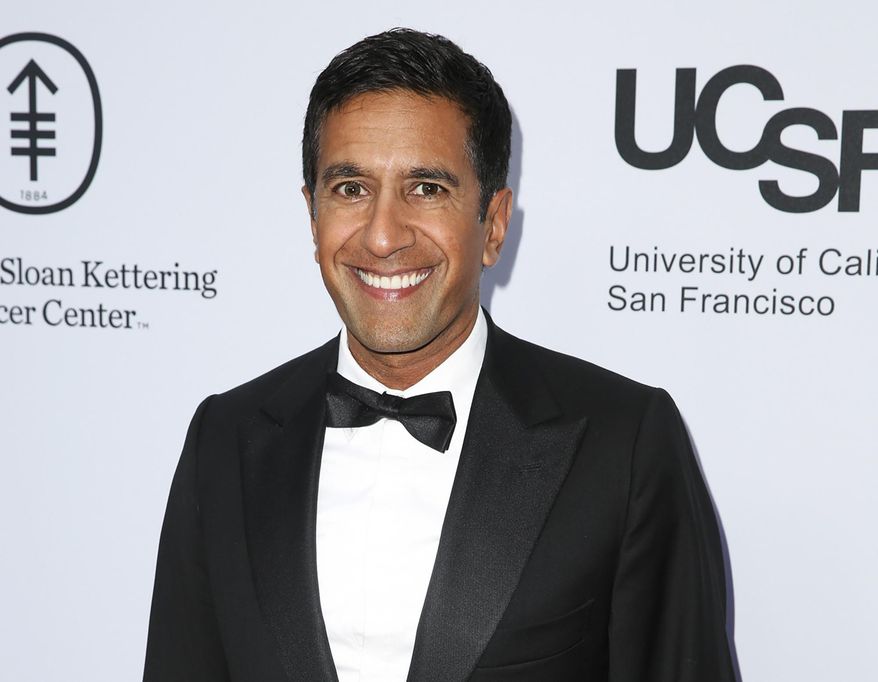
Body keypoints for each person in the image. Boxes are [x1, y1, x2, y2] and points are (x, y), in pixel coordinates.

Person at [144, 28, 735, 682]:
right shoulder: (226, 441)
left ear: (495, 224)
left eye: (426, 188)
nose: (383, 235)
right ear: (312, 216)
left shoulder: (622, 445)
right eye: (350, 188)